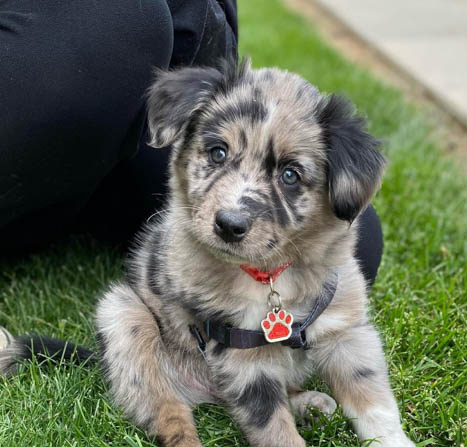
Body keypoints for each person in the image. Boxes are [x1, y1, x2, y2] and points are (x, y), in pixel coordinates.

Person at [0, 0, 382, 286]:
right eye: (219, 154)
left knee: (353, 243)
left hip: (94, 132)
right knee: (126, 20)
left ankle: (71, 198)